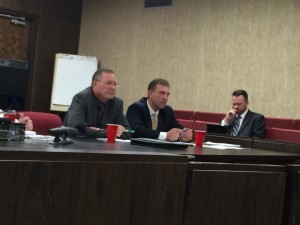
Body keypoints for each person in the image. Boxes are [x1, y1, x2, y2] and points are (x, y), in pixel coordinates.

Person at [63, 68, 130, 138]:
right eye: (109, 83)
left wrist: (98, 132)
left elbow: (128, 131)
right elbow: (76, 128)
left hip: (104, 147)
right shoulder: (81, 98)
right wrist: (109, 132)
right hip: (76, 146)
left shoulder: (117, 103)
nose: (113, 88)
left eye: (115, 84)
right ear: (95, 84)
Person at [126, 78, 193, 142]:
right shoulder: (136, 108)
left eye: (168, 94)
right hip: (138, 151)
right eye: (162, 93)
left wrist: (185, 134)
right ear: (150, 93)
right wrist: (165, 135)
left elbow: (178, 128)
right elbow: (135, 131)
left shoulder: (167, 110)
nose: (165, 98)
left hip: (161, 152)